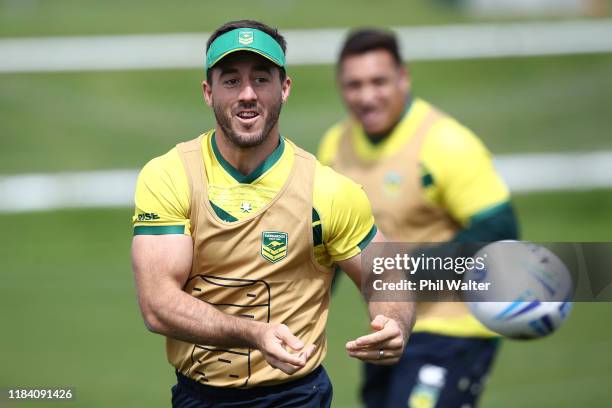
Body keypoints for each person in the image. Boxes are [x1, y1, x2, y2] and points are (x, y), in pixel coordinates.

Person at [131, 20, 415, 408]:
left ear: (284, 89)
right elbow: (157, 304)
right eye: (231, 81)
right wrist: (253, 333)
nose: (247, 94)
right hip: (197, 397)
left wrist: (395, 323)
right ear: (207, 92)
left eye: (261, 79)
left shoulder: (327, 190)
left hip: (295, 396)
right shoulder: (170, 176)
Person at [318, 29, 519, 408]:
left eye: (379, 81)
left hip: (453, 329)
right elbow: (329, 241)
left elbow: (500, 231)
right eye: (353, 85)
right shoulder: (335, 146)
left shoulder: (445, 143)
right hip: (388, 330)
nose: (366, 96)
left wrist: (403, 271)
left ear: (403, 78)